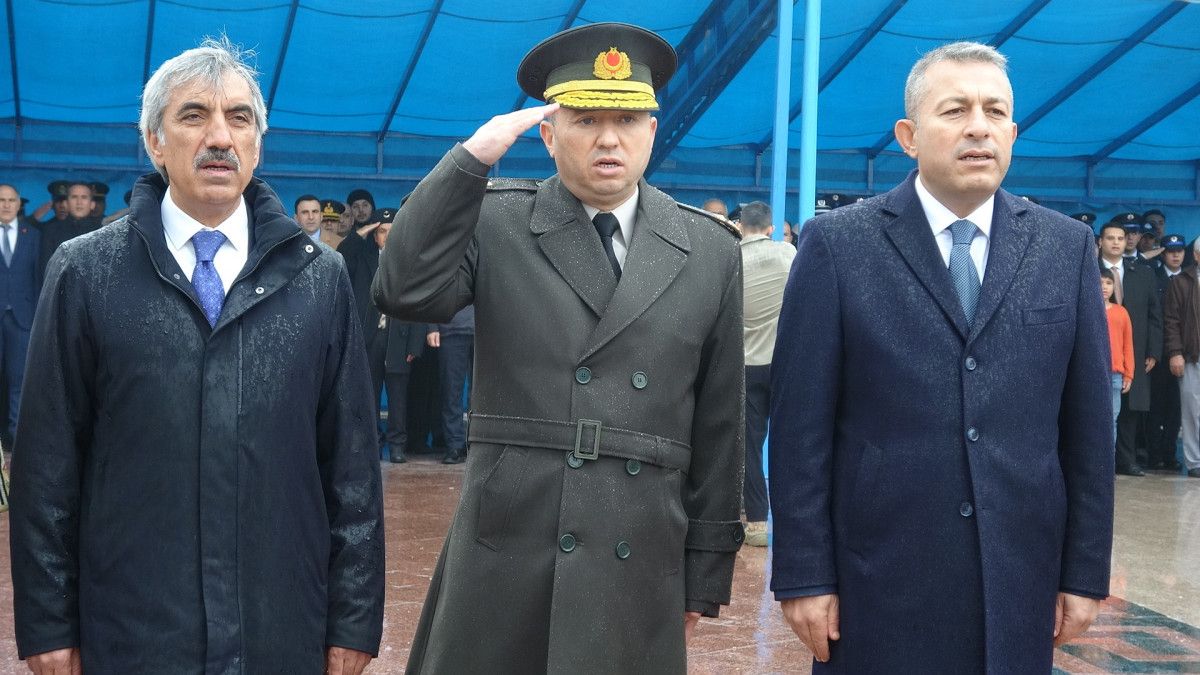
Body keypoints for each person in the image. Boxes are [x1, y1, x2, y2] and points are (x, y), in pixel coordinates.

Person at [373, 22, 745, 673]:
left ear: (652, 131)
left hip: (639, 543)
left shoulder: (709, 249)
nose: (609, 138)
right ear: (548, 135)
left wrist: (705, 569)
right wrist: (470, 162)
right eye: (585, 119)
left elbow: (720, 422)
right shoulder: (497, 219)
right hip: (509, 541)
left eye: (627, 120)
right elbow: (404, 288)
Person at [9, 37, 384, 674]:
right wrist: (47, 625)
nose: (219, 137)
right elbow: (47, 462)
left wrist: (353, 620)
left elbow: (351, 464)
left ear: (258, 144)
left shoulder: (317, 278)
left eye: (239, 118)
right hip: (134, 631)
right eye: (193, 116)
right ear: (154, 142)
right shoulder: (86, 271)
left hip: (279, 628)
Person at [769, 41, 1113, 673]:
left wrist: (1085, 572)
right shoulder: (840, 246)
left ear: (1013, 133)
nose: (978, 126)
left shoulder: (1066, 248)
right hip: (877, 580)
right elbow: (799, 428)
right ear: (908, 136)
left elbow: (1088, 430)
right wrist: (803, 575)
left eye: (994, 111)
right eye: (955, 110)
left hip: (1018, 578)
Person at [737, 200, 794, 547]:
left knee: (749, 447)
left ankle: (757, 523)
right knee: (792, 442)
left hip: (745, 366)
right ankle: (795, 521)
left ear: (741, 226)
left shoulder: (731, 259)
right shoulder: (787, 254)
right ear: (771, 228)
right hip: (783, 364)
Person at [362, 208, 424, 464]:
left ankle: (397, 445)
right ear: (374, 236)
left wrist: (415, 345)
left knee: (398, 398)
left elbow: (418, 304)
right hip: (371, 339)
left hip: (399, 338)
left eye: (392, 231)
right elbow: (345, 251)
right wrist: (362, 231)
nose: (387, 236)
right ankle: (373, 445)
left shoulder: (410, 263)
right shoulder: (365, 259)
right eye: (382, 231)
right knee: (370, 396)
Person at [1099, 221, 1161, 476]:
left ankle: (1126, 460)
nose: (1116, 243)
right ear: (1100, 241)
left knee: (1130, 408)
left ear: (1126, 242)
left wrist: (1153, 351)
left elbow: (1154, 314)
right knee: (1099, 410)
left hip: (1135, 349)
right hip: (1099, 352)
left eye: (1120, 238)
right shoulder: (1087, 269)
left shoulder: (1143, 272)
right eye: (1110, 238)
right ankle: (1099, 462)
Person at [0, 184, 41, 450]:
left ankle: (16, 442)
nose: (5, 205)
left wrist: (38, 315)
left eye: (10, 200)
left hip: (23, 318)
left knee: (19, 382)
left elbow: (39, 276)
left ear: (18, 204)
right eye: (1, 200)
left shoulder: (33, 235)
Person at [1147, 234, 1186, 471]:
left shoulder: (1190, 278)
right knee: (1156, 405)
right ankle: (1154, 454)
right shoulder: (1153, 276)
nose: (1175, 255)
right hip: (1159, 353)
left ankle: (1170, 454)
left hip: (1184, 352)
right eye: (1171, 251)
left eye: (1179, 251)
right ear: (1163, 254)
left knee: (1176, 407)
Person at [1163, 239, 1200, 479]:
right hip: (1192, 354)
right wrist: (1175, 352)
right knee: (1192, 410)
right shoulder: (1182, 282)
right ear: (1196, 256)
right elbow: (1171, 320)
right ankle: (1195, 461)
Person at [1102, 267, 1134, 445]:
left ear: (1114, 286)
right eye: (1100, 282)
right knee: (1091, 419)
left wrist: (1128, 374)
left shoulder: (1121, 312)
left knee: (1111, 420)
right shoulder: (1087, 310)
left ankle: (1109, 460)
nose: (1104, 287)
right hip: (1092, 373)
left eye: (1108, 283)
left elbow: (1127, 345)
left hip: (1115, 373)